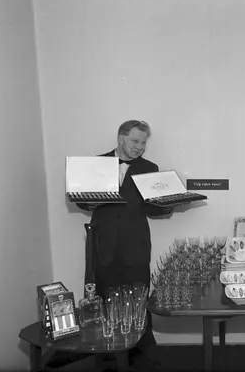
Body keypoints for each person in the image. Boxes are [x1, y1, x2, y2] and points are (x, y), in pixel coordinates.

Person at [78, 120, 171, 370]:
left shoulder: (150, 168)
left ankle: (142, 349)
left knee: (139, 294)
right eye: (135, 141)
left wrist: (169, 204)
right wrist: (87, 200)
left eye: (143, 142)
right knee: (103, 293)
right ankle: (105, 353)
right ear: (121, 137)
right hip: (103, 240)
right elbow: (82, 202)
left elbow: (152, 207)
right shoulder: (96, 164)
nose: (139, 146)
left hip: (136, 241)